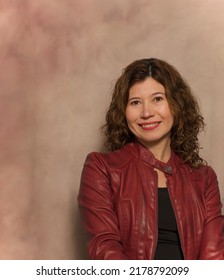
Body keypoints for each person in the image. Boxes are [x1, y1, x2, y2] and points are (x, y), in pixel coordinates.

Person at [78, 58, 224, 260]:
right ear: (124, 112)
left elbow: (214, 258)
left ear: (176, 105)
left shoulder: (204, 179)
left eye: (157, 99)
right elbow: (105, 250)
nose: (146, 113)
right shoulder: (101, 168)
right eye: (135, 102)